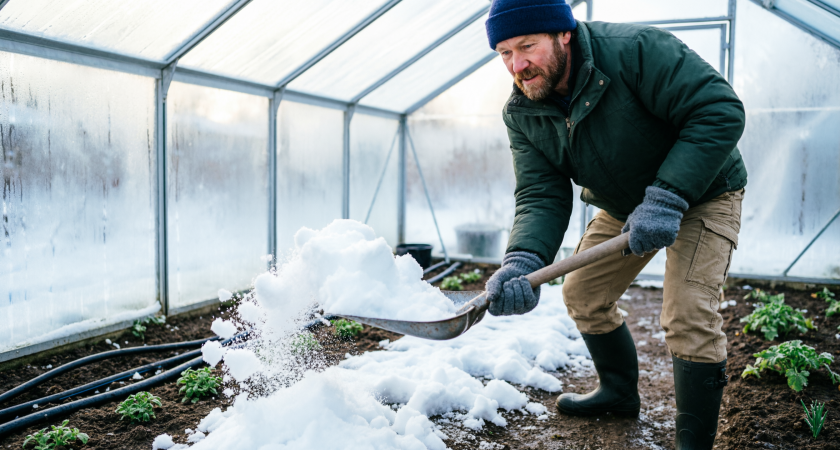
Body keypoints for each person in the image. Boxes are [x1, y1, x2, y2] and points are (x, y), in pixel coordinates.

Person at [482, 1, 747, 449]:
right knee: (583, 293)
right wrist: (523, 260)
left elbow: (719, 110)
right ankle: (619, 393)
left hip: (704, 192)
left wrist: (667, 197)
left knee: (687, 314)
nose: (517, 65)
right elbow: (541, 193)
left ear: (563, 33)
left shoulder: (635, 50)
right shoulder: (523, 111)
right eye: (505, 53)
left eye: (527, 46)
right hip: (626, 204)